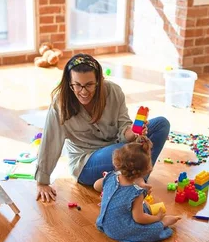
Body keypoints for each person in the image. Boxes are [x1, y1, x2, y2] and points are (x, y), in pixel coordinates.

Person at [35, 53, 170, 202]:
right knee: (126, 152)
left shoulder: (114, 92)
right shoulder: (60, 103)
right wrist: (42, 181)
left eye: (89, 85)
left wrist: (133, 132)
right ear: (69, 83)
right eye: (77, 85)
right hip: (86, 163)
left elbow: (123, 130)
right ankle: (134, 186)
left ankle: (138, 183)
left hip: (117, 148)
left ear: (99, 81)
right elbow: (50, 141)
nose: (83, 91)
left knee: (160, 124)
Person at [93, 138, 180, 242]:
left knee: (139, 206)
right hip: (118, 231)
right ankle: (164, 223)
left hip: (103, 223)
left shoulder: (111, 176)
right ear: (144, 171)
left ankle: (154, 217)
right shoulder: (136, 193)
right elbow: (139, 218)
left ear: (117, 162)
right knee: (149, 229)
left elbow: (96, 186)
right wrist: (157, 219)